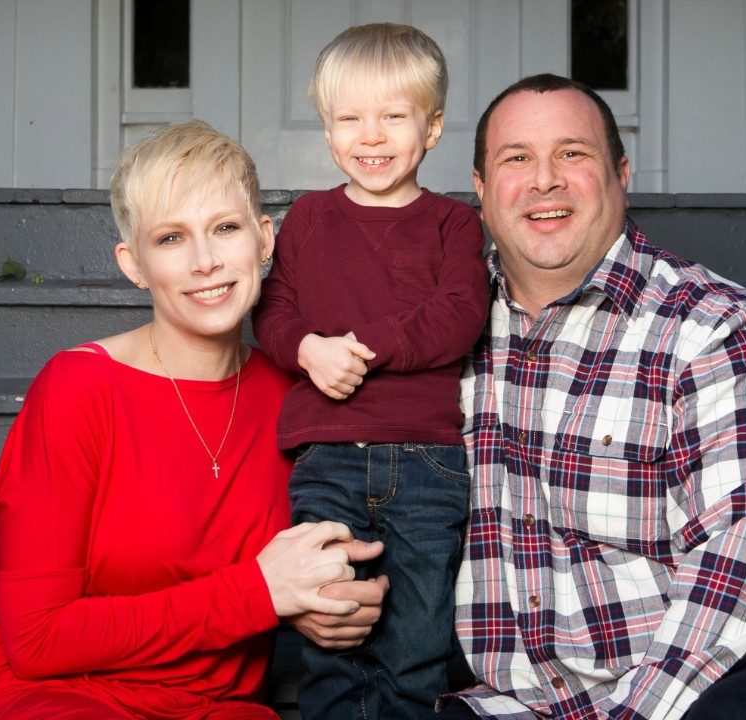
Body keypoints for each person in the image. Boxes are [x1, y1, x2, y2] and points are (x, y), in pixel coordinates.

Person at [0, 120, 384, 720]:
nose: (205, 262)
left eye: (225, 228)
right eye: (171, 238)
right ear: (133, 264)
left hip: (214, 706)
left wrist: (329, 601)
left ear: (264, 239)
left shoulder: (293, 397)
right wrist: (258, 593)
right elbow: (37, 639)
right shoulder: (78, 388)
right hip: (55, 697)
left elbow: (303, 569)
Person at [435, 74, 746, 719]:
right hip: (514, 703)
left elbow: (741, 574)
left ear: (621, 175)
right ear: (482, 191)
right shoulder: (439, 336)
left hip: (711, 686)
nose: (544, 180)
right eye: (516, 158)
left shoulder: (718, 330)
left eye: (572, 153)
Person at [253, 22, 489, 720]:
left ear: (433, 127)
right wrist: (308, 350)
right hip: (327, 459)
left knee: (416, 639)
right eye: (350, 118)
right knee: (334, 629)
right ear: (328, 132)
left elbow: (458, 315)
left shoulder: (453, 224)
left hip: (427, 464)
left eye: (393, 116)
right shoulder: (308, 219)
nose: (372, 136)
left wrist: (359, 346)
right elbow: (273, 311)